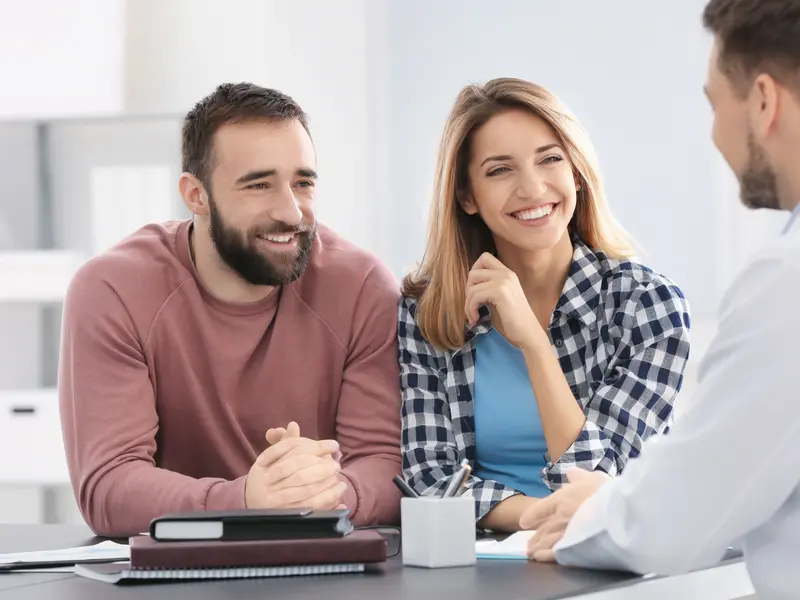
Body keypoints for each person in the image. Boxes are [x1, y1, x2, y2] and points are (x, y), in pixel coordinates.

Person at [520, 2, 800, 598]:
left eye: (712, 102)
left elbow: (682, 517)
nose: (712, 132)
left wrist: (595, 511)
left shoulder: (786, 278)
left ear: (764, 101)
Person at [58, 83, 403, 537]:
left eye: (303, 183)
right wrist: (245, 500)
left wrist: (325, 492)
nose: (291, 211)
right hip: (177, 572)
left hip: (324, 558)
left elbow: (386, 465)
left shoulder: (361, 287)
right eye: (259, 185)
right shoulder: (112, 290)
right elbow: (109, 487)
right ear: (196, 195)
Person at [398, 77, 692, 532]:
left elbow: (601, 481)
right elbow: (431, 481)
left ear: (576, 171)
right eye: (500, 170)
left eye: (549, 159)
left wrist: (534, 344)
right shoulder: (427, 311)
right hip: (480, 563)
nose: (533, 188)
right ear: (466, 196)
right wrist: (539, 515)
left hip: (608, 562)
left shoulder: (647, 306)